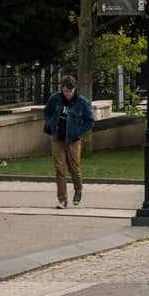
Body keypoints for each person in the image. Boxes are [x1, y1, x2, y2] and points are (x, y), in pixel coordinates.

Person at [43, 74, 94, 209]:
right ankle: (62, 200)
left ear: (75, 89)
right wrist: (50, 123)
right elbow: (47, 112)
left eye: (70, 91)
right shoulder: (55, 98)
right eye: (65, 91)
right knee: (60, 169)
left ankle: (78, 189)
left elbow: (90, 121)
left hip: (73, 140)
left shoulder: (81, 102)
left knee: (74, 169)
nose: (68, 94)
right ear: (62, 89)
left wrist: (78, 131)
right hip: (57, 139)